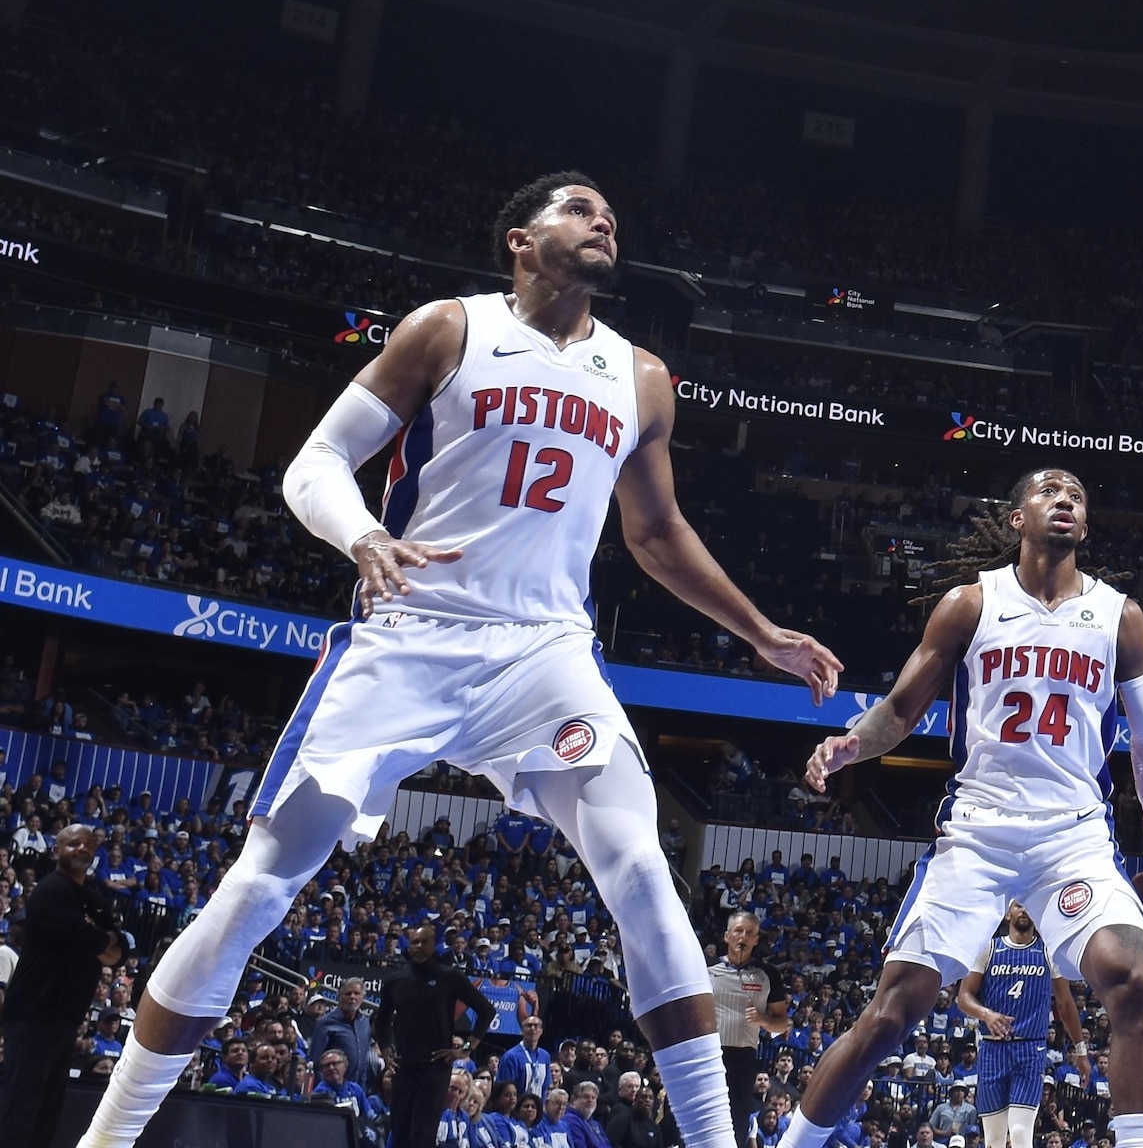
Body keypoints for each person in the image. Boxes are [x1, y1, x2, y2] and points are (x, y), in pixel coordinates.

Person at [71, 173, 843, 1148]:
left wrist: (760, 630)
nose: (603, 215)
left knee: (644, 870)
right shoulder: (448, 329)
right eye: (577, 204)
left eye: (610, 209)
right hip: (412, 631)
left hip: (544, 652)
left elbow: (655, 532)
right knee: (257, 884)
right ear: (521, 239)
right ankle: (106, 1136)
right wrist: (359, 535)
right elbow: (311, 464)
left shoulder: (640, 374)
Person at [783, 467, 1143, 1148]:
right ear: (1017, 518)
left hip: (1071, 837)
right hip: (975, 835)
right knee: (893, 1013)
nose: (1065, 501)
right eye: (1050, 492)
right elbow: (902, 711)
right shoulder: (970, 604)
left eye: (1077, 496)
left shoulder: (1120, 617)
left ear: (1084, 525)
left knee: (1134, 978)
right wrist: (849, 746)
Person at [0, 824, 115, 1143]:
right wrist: (100, 939)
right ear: (56, 851)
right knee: (22, 1103)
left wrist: (102, 940)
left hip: (65, 1018)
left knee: (49, 1107)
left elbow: (119, 950)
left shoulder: (94, 896)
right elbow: (93, 941)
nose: (81, 849)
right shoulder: (52, 889)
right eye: (73, 843)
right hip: (34, 1014)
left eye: (87, 844)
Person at [957, 901, 1078, 1148]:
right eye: (1019, 905)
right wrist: (987, 1014)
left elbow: (1065, 1003)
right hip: (992, 1048)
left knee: (1022, 1132)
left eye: (1029, 905)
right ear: (1006, 913)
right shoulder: (989, 949)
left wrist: (1082, 1049)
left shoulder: (1048, 952)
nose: (1024, 910)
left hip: (1030, 1049)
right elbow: (964, 998)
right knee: (993, 1138)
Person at [384, 918, 501, 1148]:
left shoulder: (450, 977)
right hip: (404, 1066)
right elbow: (381, 1021)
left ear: (433, 945)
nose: (417, 946)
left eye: (423, 942)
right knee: (399, 1134)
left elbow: (486, 1010)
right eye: (414, 942)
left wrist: (465, 1050)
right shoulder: (395, 980)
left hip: (435, 1067)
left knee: (422, 1136)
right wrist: (387, 1053)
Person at [711, 912, 772, 1111]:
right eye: (738, 931)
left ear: (756, 940)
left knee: (737, 1119)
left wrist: (763, 1019)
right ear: (727, 936)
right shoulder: (706, 967)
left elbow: (781, 1023)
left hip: (744, 1055)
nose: (743, 937)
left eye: (749, 933)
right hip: (710, 1051)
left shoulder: (766, 975)